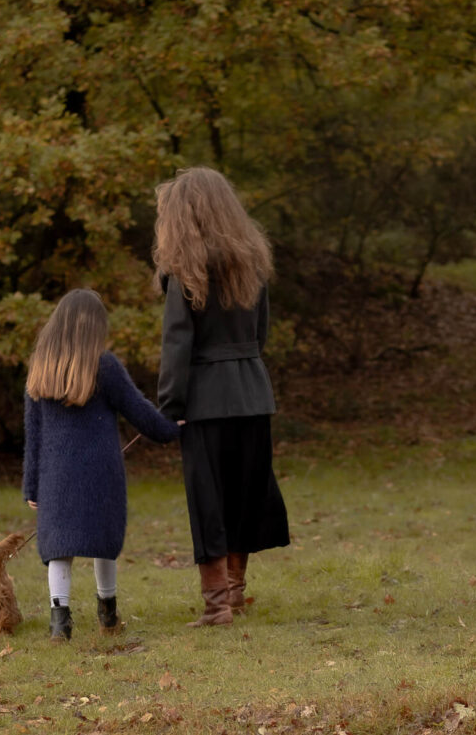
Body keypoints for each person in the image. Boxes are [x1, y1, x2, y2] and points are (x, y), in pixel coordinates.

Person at [154, 166, 290, 627]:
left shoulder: (185, 271)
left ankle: (218, 606)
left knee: (209, 501)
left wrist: (170, 407)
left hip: (205, 401)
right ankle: (233, 593)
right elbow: (260, 334)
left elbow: (177, 345)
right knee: (244, 495)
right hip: (252, 392)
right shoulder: (253, 263)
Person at [22, 288, 180, 641]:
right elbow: (139, 411)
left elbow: (33, 434)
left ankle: (59, 621)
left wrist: (31, 485)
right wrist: (171, 429)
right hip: (100, 472)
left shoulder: (40, 369)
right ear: (94, 326)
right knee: (102, 540)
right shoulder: (104, 365)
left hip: (55, 475)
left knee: (59, 548)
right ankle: (107, 614)